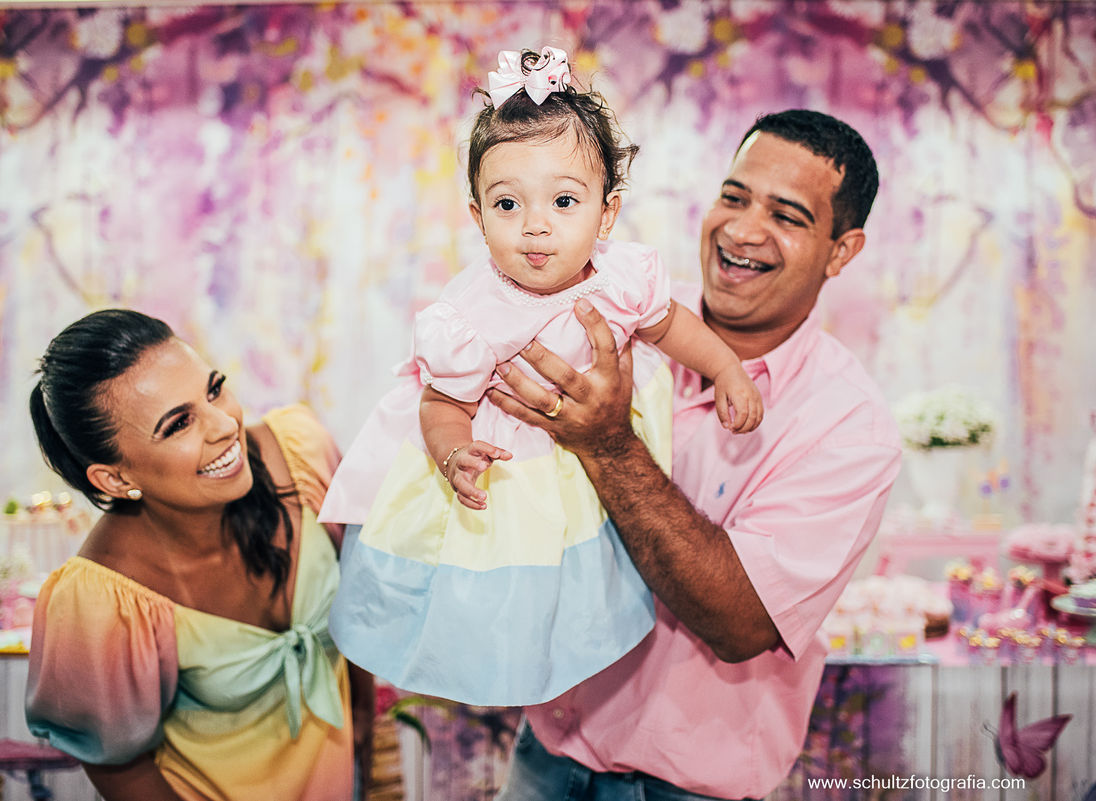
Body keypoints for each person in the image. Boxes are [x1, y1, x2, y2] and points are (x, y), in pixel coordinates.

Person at [317, 47, 762, 708]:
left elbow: (670, 325)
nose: (535, 225)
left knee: (582, 579)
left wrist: (725, 366)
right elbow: (441, 402)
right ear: (477, 216)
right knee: (506, 596)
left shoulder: (624, 276)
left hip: (586, 472)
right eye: (507, 203)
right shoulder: (471, 315)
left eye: (563, 200)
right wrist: (454, 452)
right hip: (512, 477)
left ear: (606, 213)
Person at [488, 109, 902, 800]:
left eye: (787, 216)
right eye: (734, 197)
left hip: (682, 788)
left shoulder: (849, 425)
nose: (742, 230)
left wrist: (608, 444)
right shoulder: (623, 318)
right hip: (543, 753)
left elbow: (739, 620)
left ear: (841, 251)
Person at [24, 309, 373, 801]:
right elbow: (118, 767)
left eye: (214, 390)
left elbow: (359, 602)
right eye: (179, 424)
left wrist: (363, 738)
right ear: (117, 479)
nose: (226, 425)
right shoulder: (100, 596)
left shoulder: (303, 453)